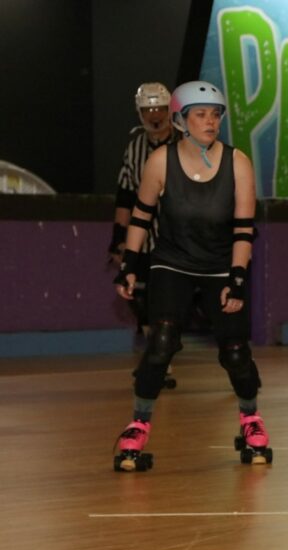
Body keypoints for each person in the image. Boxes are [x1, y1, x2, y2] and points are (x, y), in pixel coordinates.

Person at [111, 81, 269, 471]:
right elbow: (141, 216)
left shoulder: (239, 163)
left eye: (215, 114)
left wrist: (236, 278)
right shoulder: (160, 162)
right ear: (181, 120)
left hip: (221, 263)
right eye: (201, 114)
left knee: (235, 352)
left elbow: (244, 229)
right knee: (161, 341)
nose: (210, 121)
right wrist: (130, 264)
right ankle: (138, 424)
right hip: (172, 262)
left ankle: (251, 418)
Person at [109, 83, 179, 386]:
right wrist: (117, 238)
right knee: (141, 297)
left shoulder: (184, 142)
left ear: (169, 111)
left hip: (179, 235)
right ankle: (159, 358)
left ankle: (161, 355)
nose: (154, 116)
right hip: (143, 233)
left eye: (160, 109)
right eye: (148, 110)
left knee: (170, 298)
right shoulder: (135, 147)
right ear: (140, 113)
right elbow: (125, 195)